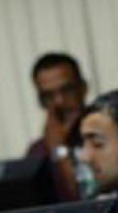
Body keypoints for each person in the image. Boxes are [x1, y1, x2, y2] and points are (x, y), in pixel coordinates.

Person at [26, 53, 88, 201]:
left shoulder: (105, 140)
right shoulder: (38, 152)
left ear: (83, 89)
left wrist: (59, 147)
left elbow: (87, 198)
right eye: (48, 96)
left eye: (67, 90)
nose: (59, 102)